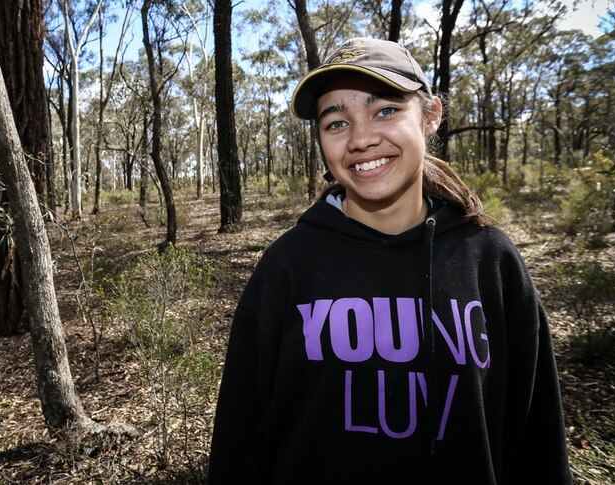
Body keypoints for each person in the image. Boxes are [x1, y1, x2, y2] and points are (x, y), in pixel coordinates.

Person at [208, 38, 571, 484]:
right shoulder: (287, 267)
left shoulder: (490, 259)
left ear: (431, 115)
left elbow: (536, 439)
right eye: (336, 123)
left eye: (385, 111)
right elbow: (240, 443)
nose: (361, 139)